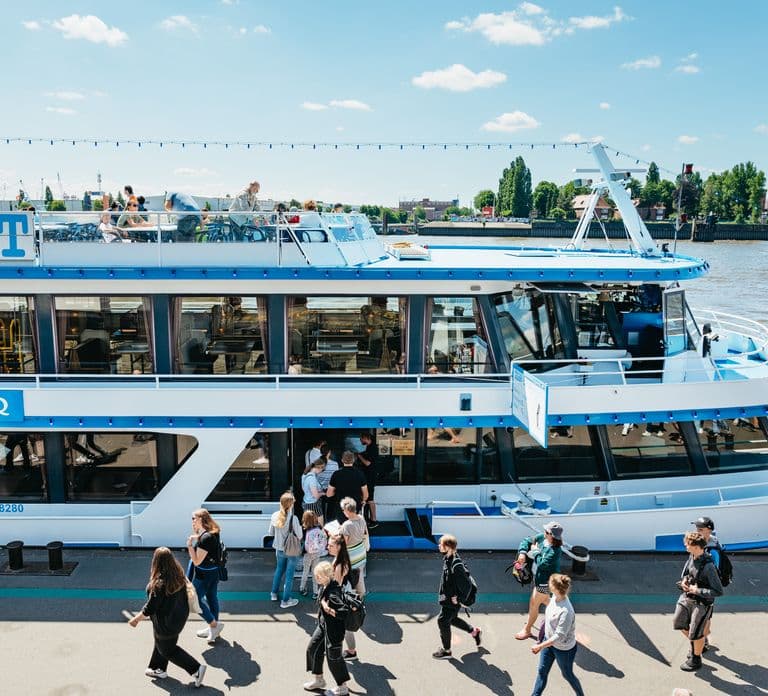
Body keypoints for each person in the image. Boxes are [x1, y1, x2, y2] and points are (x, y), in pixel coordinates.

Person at [127, 547, 207, 687]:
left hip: (165, 623)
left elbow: (150, 608)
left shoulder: (159, 584)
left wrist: (135, 620)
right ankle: (158, 668)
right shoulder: (178, 575)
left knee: (168, 650)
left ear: (156, 562)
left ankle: (196, 669)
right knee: (161, 643)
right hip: (178, 618)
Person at [674, 530, 723, 671]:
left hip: (701, 604)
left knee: (696, 633)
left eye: (687, 544)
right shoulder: (692, 556)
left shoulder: (708, 567)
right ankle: (698, 644)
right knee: (678, 623)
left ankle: (696, 659)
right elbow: (686, 573)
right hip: (687, 598)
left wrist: (697, 591)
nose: (685, 546)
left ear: (696, 546)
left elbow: (718, 591)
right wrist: (684, 581)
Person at [530, 573, 585, 696]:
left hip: (564, 650)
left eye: (550, 583)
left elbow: (559, 636)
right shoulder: (555, 597)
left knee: (567, 674)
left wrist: (540, 646)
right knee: (542, 671)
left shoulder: (566, 611)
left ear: (555, 588)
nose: (548, 584)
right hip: (548, 643)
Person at [303, 561, 351, 696]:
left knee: (334, 658)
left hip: (334, 631)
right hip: (324, 626)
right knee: (313, 649)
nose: (316, 578)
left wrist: (327, 608)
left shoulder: (333, 593)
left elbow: (343, 612)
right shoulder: (325, 586)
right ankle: (319, 679)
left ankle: (342, 687)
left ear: (326, 576)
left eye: (318, 576)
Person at [432, 534, 481, 659]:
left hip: (451, 601)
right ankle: (474, 631)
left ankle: (446, 651)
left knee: (442, 621)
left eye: (441, 544)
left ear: (447, 547)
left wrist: (459, 599)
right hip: (448, 598)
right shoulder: (449, 558)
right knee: (452, 619)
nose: (438, 546)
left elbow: (467, 586)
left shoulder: (455, 564)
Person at [515, 522, 564, 640]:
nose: (544, 533)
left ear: (552, 536)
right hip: (540, 578)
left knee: (534, 604)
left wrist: (535, 551)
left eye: (547, 532)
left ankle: (527, 630)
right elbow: (527, 540)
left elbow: (543, 564)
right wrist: (522, 553)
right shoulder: (543, 538)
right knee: (548, 602)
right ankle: (561, 623)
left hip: (544, 582)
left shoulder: (555, 551)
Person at [187, 509, 225, 645]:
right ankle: (212, 629)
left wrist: (190, 546)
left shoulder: (205, 539)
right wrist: (196, 537)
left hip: (204, 575)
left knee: (192, 600)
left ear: (201, 520)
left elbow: (197, 561)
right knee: (212, 598)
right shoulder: (213, 532)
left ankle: (213, 624)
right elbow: (206, 538)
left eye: (194, 519)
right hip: (213, 573)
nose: (192, 522)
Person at [339, 497, 368, 660]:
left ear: (347, 510)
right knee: (360, 576)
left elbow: (344, 544)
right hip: (361, 554)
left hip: (351, 556)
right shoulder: (361, 519)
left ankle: (355, 599)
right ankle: (361, 596)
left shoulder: (346, 525)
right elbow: (363, 534)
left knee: (350, 580)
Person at [268, 491, 302, 608]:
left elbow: (271, 532)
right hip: (291, 550)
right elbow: (300, 535)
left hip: (279, 549)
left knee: (279, 570)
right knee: (289, 575)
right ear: (291, 504)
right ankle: (286, 601)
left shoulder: (274, 516)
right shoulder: (294, 518)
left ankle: (274, 593)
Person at [326, 450, 368, 524]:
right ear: (354, 460)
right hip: (355, 506)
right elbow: (365, 494)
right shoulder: (360, 474)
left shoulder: (336, 474)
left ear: (342, 460)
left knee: (342, 529)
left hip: (341, 507)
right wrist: (363, 501)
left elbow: (329, 494)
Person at [356, 432, 379, 528]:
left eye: (361, 439)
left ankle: (374, 520)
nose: (361, 441)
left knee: (370, 499)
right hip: (369, 476)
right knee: (369, 499)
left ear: (366, 438)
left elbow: (368, 463)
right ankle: (370, 519)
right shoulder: (370, 447)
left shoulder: (372, 448)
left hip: (370, 477)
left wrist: (359, 456)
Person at [302, 458, 325, 523]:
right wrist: (322, 493)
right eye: (322, 470)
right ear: (320, 467)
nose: (321, 472)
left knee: (309, 525)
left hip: (306, 502)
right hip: (314, 504)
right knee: (320, 525)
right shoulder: (312, 478)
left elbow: (303, 489)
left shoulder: (305, 474)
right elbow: (316, 496)